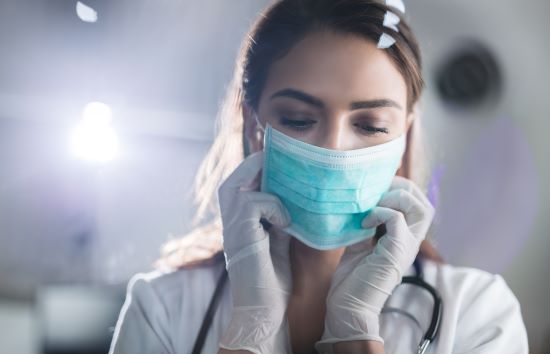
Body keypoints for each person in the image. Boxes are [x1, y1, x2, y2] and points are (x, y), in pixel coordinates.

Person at [108, 0, 529, 353]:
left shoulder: (478, 312)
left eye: (370, 125)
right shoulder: (161, 307)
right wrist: (249, 329)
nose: (333, 147)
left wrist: (355, 329)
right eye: (297, 118)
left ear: (405, 132)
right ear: (255, 124)